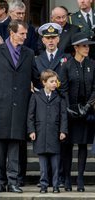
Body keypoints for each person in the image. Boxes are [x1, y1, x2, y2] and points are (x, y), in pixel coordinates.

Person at [0, 20, 40, 193]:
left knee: (15, 147)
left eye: (26, 34)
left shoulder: (28, 53)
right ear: (12, 33)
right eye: (22, 33)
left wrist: (52, 86)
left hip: (20, 108)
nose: (25, 37)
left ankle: (13, 181)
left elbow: (36, 79)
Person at [60, 32, 95, 192]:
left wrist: (88, 106)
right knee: (67, 146)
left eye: (88, 45)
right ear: (76, 47)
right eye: (84, 45)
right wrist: (68, 108)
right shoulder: (66, 65)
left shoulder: (93, 64)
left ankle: (80, 178)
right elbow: (63, 89)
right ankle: (67, 178)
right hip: (70, 111)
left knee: (82, 145)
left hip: (86, 111)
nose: (87, 48)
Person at [27, 69, 67, 193]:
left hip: (54, 133)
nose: (55, 83)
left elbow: (63, 115)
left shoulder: (59, 98)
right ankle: (44, 185)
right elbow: (31, 115)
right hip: (40, 133)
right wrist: (31, 130)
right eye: (52, 81)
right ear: (44, 82)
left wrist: (63, 131)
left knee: (55, 163)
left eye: (56, 81)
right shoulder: (36, 96)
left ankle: (55, 185)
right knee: (43, 163)